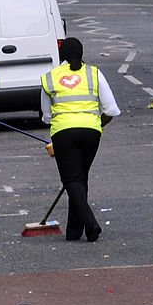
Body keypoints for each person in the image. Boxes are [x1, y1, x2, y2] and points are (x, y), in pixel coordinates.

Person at [40, 38, 120, 242]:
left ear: (62, 55)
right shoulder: (94, 73)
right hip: (91, 132)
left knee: (71, 180)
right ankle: (74, 231)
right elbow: (111, 110)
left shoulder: (50, 78)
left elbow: (47, 116)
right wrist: (97, 124)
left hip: (63, 132)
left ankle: (91, 224)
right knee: (80, 178)